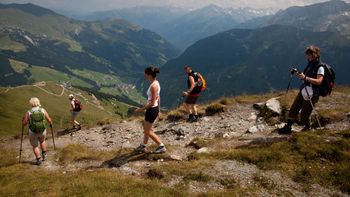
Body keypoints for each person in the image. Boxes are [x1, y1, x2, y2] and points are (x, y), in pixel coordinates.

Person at [279, 45, 325, 134]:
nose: (307, 57)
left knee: (304, 114)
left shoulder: (320, 67)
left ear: (314, 55)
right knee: (294, 108)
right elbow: (304, 75)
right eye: (307, 55)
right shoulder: (310, 64)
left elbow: (319, 81)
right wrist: (297, 72)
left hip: (312, 94)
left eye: (309, 55)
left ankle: (308, 127)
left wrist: (305, 78)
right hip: (304, 90)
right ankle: (288, 127)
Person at [134, 66, 166, 153]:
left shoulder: (153, 86)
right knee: (146, 129)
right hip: (153, 109)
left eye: (145, 74)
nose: (144, 75)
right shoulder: (156, 83)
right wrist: (158, 109)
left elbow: (151, 103)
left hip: (151, 110)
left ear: (149, 75)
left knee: (147, 131)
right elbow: (158, 97)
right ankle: (143, 145)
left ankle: (161, 146)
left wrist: (140, 110)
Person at [22, 97, 53, 165]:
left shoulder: (29, 112)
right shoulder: (42, 110)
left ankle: (38, 159)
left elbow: (24, 123)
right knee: (42, 141)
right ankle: (44, 155)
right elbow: (49, 120)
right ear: (38, 102)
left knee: (35, 146)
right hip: (42, 130)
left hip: (33, 131)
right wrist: (50, 123)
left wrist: (23, 120)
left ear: (31, 103)